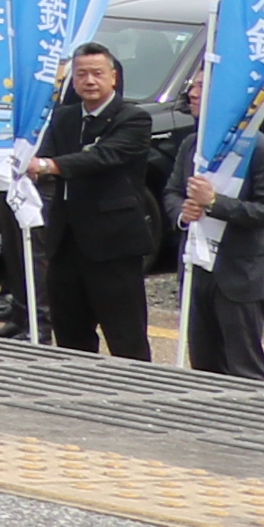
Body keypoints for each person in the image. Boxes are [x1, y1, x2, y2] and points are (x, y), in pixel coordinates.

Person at [26, 44, 159, 356]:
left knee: (125, 334)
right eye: (82, 74)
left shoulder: (133, 119)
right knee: (70, 331)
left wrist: (49, 166)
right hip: (66, 239)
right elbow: (41, 155)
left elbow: (103, 157)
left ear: (113, 77)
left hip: (113, 242)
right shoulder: (64, 118)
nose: (89, 80)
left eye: (97, 74)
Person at [184, 82, 264, 382]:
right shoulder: (193, 144)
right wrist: (182, 212)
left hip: (241, 273)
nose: (193, 93)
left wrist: (214, 203)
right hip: (198, 268)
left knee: (243, 367)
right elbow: (172, 191)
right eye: (192, 85)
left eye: (204, 86)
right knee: (203, 364)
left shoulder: (263, 150)